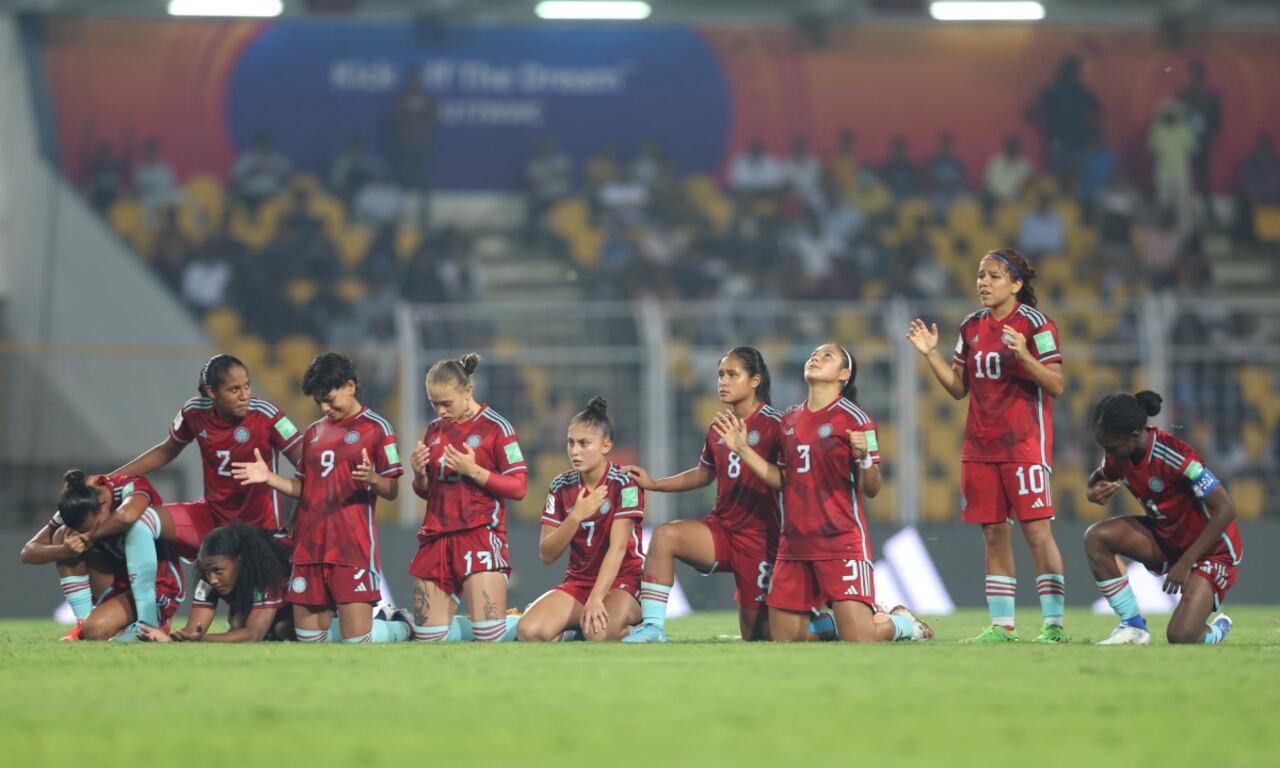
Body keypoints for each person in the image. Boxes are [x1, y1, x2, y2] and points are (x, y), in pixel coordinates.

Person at [715, 344, 931, 644]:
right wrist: (742, 450)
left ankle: (904, 625)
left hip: (839, 541)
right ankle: (840, 623)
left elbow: (872, 488)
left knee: (860, 638)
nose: (816, 357)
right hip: (794, 545)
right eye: (814, 354)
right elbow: (783, 480)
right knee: (783, 638)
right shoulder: (789, 420)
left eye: (827, 356)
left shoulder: (858, 419)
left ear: (844, 374)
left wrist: (864, 458)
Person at [908, 248, 1068, 643]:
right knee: (994, 534)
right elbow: (958, 388)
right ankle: (1002, 626)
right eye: (981, 275)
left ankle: (1053, 625)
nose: (984, 282)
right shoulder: (970, 327)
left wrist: (1025, 355)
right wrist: (931, 355)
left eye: (994, 276)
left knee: (1037, 534)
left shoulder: (1036, 324)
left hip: (1024, 446)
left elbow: (1056, 385)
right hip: (979, 448)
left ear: (1016, 284)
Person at [232, 352, 407, 644]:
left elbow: (392, 490)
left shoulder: (377, 428)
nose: (325, 408)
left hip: (350, 548)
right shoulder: (313, 433)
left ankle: (399, 625)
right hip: (309, 548)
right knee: (310, 640)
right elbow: (305, 488)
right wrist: (269, 478)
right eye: (318, 403)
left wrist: (374, 479)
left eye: (329, 399)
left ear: (350, 386)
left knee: (356, 640)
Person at [622, 347, 784, 643]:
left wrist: (745, 450)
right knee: (665, 536)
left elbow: (787, 481)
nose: (723, 382)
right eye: (720, 375)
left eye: (732, 375)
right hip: (722, 529)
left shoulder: (776, 425)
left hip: (760, 540)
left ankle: (826, 625)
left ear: (755, 380)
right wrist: (654, 484)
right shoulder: (718, 427)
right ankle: (653, 628)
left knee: (759, 635)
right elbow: (702, 474)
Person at [1084, 392, 1241, 645]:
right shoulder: (1120, 452)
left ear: (1134, 436)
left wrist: (1186, 562)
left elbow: (1226, 509)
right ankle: (1133, 627)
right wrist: (1092, 492)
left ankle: (1218, 628)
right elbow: (1097, 478)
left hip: (1210, 551)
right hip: (1165, 539)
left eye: (1111, 447)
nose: (1108, 453)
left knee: (1181, 636)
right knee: (1097, 537)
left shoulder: (1177, 457)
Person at [406, 354, 527, 643]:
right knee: (428, 638)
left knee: (489, 635)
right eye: (434, 403)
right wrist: (419, 474)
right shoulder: (434, 430)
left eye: (447, 403)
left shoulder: (497, 428)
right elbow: (428, 492)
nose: (440, 410)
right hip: (436, 538)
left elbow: (518, 487)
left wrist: (473, 470)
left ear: (468, 391)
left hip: (478, 534)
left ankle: (527, 622)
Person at [138, 521, 413, 643]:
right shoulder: (210, 577)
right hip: (284, 602)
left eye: (218, 571)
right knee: (241, 623)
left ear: (240, 561)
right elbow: (193, 630)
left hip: (320, 576)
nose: (212, 578)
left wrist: (203, 640)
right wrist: (171, 638)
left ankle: (395, 622)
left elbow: (253, 635)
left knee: (286, 630)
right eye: (206, 571)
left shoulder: (263, 572)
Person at [517, 397, 646, 642]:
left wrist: (596, 599)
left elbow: (618, 550)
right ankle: (575, 631)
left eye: (584, 443)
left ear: (606, 445)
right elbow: (547, 554)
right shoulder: (560, 486)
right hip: (579, 583)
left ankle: (640, 629)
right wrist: (575, 516)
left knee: (598, 633)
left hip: (624, 582)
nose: (575, 451)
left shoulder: (625, 484)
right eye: (571, 442)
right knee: (529, 630)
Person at [19, 470, 188, 641]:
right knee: (63, 534)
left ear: (104, 504)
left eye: (91, 527)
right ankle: (82, 625)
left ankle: (154, 621)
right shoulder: (79, 505)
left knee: (95, 630)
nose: (85, 534)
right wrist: (65, 550)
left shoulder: (128, 487)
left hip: (155, 584)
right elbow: (28, 552)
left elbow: (127, 516)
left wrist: (91, 536)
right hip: (118, 580)